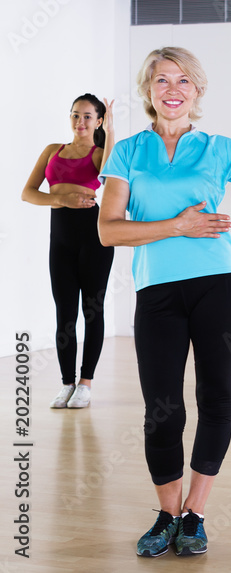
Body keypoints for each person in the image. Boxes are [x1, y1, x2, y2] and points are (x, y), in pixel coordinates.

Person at [98, 47, 231, 557]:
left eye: (183, 80)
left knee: (215, 399)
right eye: (162, 80)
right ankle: (167, 512)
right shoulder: (127, 152)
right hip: (157, 291)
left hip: (219, 284)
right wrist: (177, 226)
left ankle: (195, 514)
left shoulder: (217, 148)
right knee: (161, 410)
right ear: (148, 90)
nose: (172, 89)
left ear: (198, 91)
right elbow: (107, 231)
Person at [22, 94, 115, 409]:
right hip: (59, 239)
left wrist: (112, 130)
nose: (81, 122)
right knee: (65, 314)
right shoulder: (53, 151)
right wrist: (60, 200)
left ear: (98, 121)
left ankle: (86, 383)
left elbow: (109, 174)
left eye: (88, 116)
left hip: (94, 237)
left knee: (93, 310)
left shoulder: (101, 152)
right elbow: (28, 193)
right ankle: (67, 383)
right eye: (76, 115)